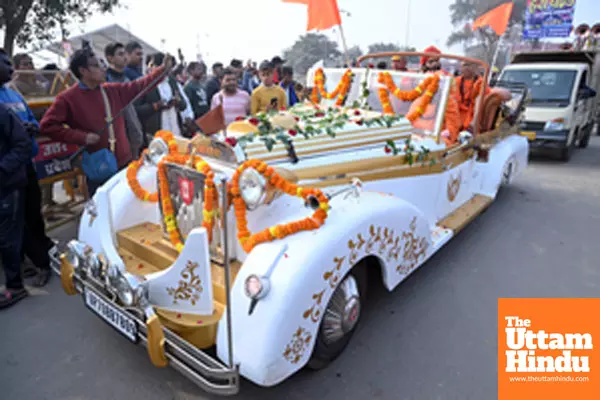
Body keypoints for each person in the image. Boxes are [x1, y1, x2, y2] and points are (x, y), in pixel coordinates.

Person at [40, 47, 174, 197]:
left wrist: (162, 70)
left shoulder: (112, 90)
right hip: (98, 168)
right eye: (96, 65)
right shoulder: (67, 98)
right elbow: (47, 126)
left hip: (124, 163)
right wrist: (82, 137)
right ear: (83, 71)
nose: (103, 69)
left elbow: (139, 86)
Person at [0, 48, 55, 287]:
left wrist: (31, 127)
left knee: (33, 215)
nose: (10, 67)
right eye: (4, 62)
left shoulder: (12, 95)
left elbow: (32, 121)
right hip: (9, 171)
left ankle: (42, 262)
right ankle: (34, 264)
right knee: (16, 222)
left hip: (25, 166)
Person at [0, 103, 32, 308]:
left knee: (7, 239)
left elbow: (23, 145)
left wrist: (1, 169)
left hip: (6, 186)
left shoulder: (3, 112)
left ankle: (15, 286)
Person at [136, 52, 195, 140]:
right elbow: (136, 110)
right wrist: (155, 106)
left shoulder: (172, 81)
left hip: (175, 131)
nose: (168, 71)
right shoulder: (143, 83)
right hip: (154, 135)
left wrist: (177, 102)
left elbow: (184, 105)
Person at [105, 42, 145, 159]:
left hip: (134, 135)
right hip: (118, 138)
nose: (125, 57)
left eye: (125, 54)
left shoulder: (127, 79)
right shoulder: (107, 81)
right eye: (120, 54)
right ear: (110, 58)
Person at [455, 60, 490, 132]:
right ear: (461, 67)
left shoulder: (480, 82)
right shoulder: (456, 81)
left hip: (471, 116)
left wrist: (474, 121)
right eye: (465, 65)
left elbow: (481, 100)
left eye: (470, 65)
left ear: (475, 67)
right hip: (455, 114)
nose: (467, 68)